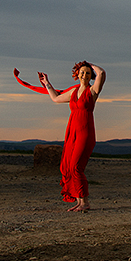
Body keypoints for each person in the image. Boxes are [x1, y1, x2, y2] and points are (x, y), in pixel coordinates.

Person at [36, 61, 106, 212]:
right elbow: (55, 98)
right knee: (69, 167)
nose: (84, 75)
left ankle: (85, 202)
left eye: (87, 73)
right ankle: (80, 202)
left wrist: (89, 64)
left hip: (85, 132)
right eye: (82, 72)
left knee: (76, 166)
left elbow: (101, 73)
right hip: (72, 132)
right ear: (77, 74)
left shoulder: (93, 91)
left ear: (90, 76)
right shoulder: (73, 92)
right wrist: (47, 83)